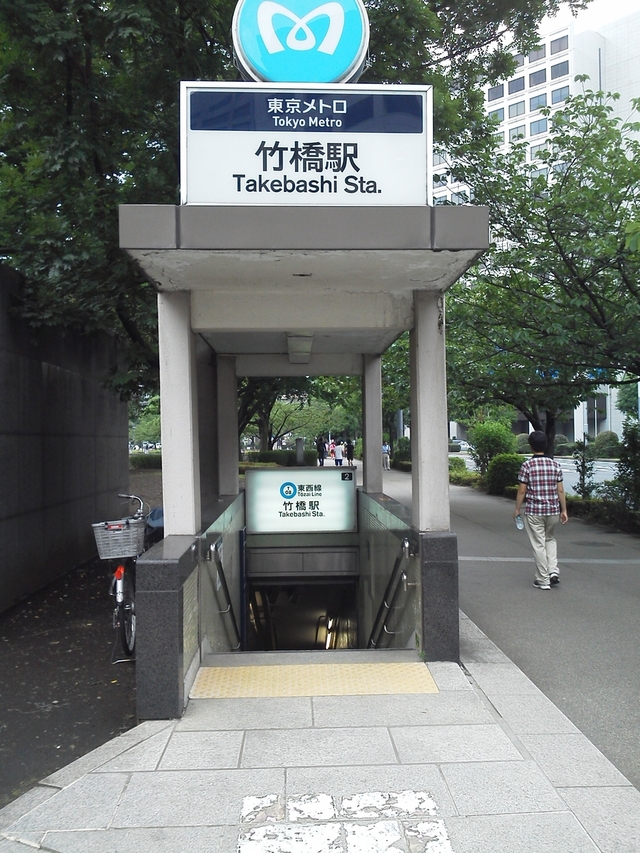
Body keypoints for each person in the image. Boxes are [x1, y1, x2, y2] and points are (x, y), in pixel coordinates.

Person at [514, 430, 568, 590]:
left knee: (539, 544)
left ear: (530, 446)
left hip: (534, 511)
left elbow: (522, 490)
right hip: (553, 510)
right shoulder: (555, 465)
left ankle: (543, 579)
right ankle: (553, 571)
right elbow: (560, 491)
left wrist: (517, 509)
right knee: (550, 539)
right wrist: (563, 510)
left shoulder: (527, 465)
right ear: (546, 445)